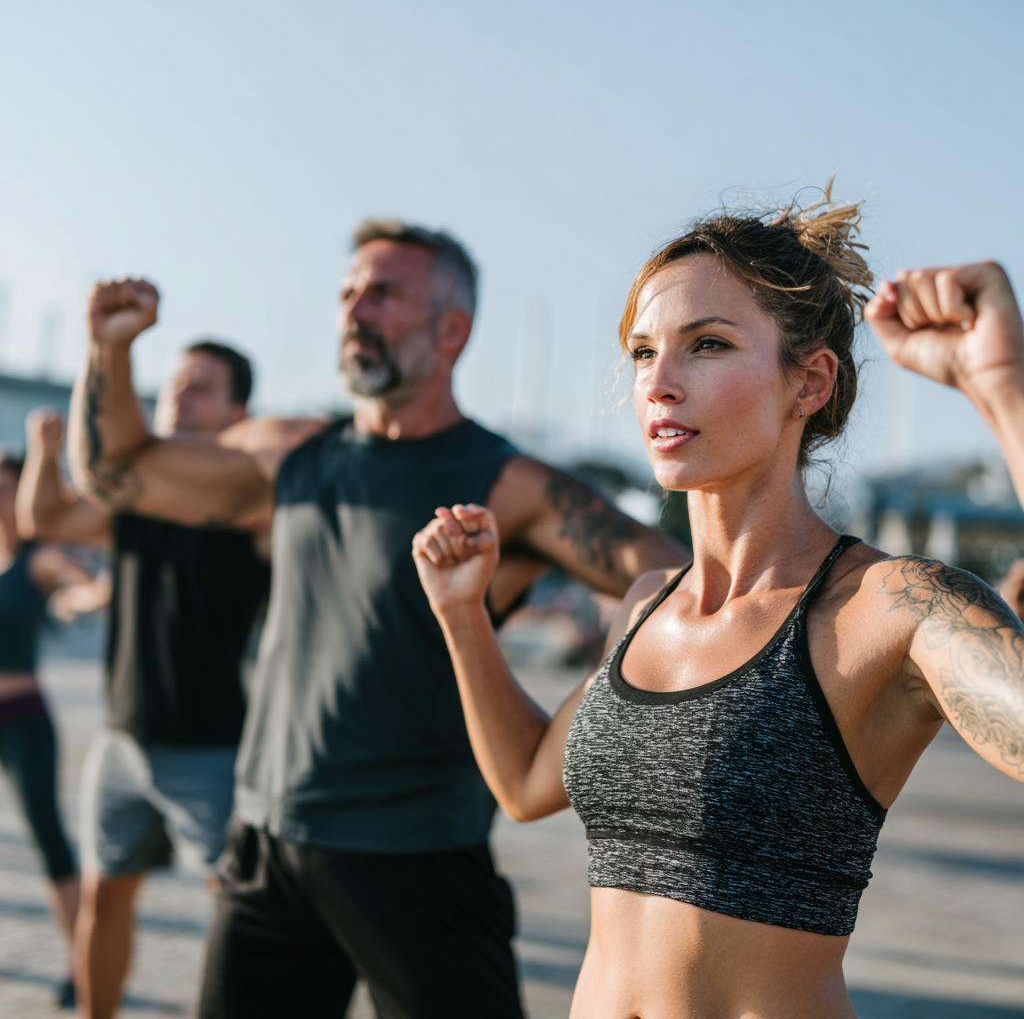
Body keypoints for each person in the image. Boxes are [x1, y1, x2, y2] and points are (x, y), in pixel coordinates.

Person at [411, 189, 1024, 1019]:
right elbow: (524, 784)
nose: (659, 383)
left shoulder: (890, 606)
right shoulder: (644, 605)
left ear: (808, 382)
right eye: (640, 352)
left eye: (707, 345)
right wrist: (462, 614)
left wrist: (1003, 387)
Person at [66, 219, 689, 1019]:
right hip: (267, 849)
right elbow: (119, 471)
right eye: (349, 292)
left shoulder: (512, 485)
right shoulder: (289, 454)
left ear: (452, 330)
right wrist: (107, 351)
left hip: (419, 861)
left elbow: (681, 585)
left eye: (386, 293)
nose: (357, 308)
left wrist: (572, 735)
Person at [19, 343, 275, 1019]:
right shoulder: (135, 501)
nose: (179, 394)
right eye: (177, 382)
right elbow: (42, 521)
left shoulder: (252, 506)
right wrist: (45, 450)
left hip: (214, 750)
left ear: (236, 411)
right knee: (102, 904)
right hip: (119, 742)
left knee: (243, 913)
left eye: (201, 387)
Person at [0, 450, 109, 1009]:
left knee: (48, 839)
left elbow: (78, 587)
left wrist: (94, 594)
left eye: (7, 489)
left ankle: (81, 958)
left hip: (21, 719)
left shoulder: (39, 558)